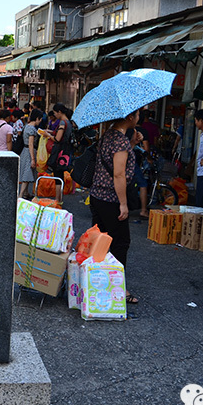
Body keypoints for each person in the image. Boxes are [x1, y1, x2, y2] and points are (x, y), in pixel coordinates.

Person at [89, 109, 143, 304]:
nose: (139, 118)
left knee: (100, 241)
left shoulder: (108, 134)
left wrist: (133, 144)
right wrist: (123, 204)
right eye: (137, 115)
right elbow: (119, 174)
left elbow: (115, 163)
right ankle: (119, 287)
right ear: (130, 117)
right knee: (120, 242)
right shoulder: (120, 141)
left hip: (97, 195)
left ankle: (96, 281)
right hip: (110, 199)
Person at [41, 103, 72, 203]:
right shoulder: (68, 122)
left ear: (59, 112)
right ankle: (59, 199)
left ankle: (58, 199)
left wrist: (48, 135)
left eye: (55, 113)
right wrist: (50, 132)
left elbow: (58, 138)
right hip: (65, 151)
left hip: (59, 151)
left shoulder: (62, 122)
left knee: (58, 175)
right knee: (60, 175)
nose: (54, 115)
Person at [19, 109, 43, 199]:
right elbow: (31, 144)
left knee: (27, 173)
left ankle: (25, 193)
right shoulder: (32, 129)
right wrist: (33, 159)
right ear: (37, 118)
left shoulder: (27, 126)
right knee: (27, 174)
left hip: (25, 151)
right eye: (40, 119)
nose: (40, 122)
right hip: (29, 152)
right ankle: (21, 195)